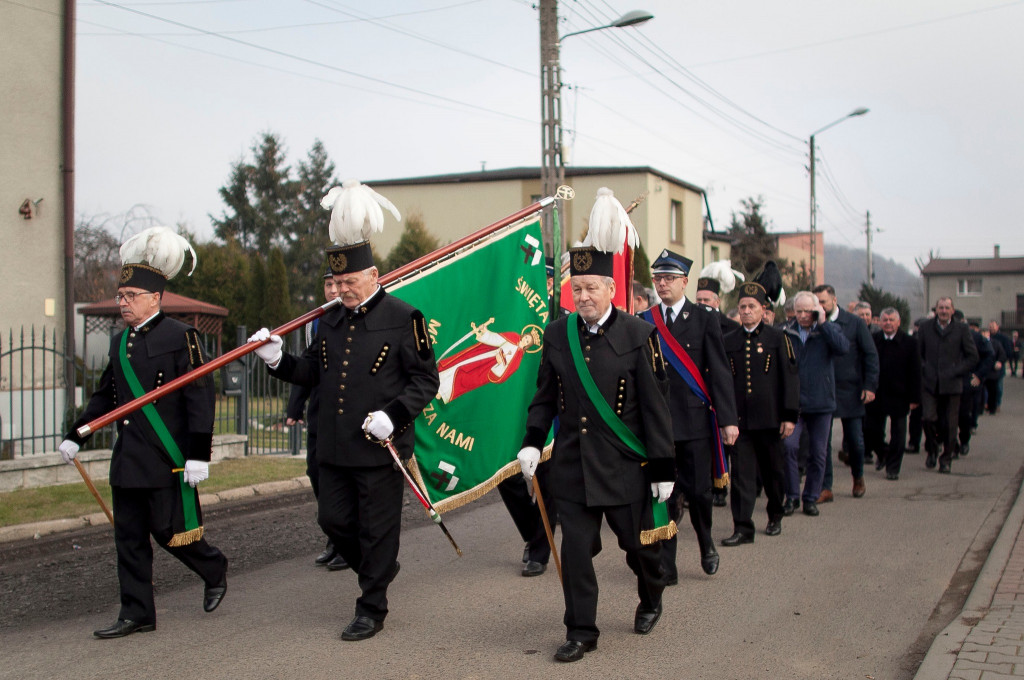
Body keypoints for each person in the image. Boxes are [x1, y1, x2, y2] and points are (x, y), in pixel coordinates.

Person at [250, 180, 439, 642]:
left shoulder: (404, 316)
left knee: (377, 530)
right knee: (332, 522)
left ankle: (370, 607)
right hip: (334, 447)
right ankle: (379, 568)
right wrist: (277, 359)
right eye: (337, 283)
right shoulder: (331, 319)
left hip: (379, 448)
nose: (343, 291)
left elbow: (425, 380)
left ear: (374, 275)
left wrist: (394, 415)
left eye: (351, 282)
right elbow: (311, 371)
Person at [59, 227, 228, 639]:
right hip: (129, 458)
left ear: (155, 297)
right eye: (121, 296)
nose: (123, 304)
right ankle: (137, 613)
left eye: (131, 296)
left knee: (169, 532)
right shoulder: (119, 343)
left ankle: (213, 567)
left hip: (166, 457)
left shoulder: (182, 337)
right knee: (128, 538)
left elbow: (199, 398)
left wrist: (197, 454)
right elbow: (106, 396)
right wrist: (76, 434)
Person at [517, 239, 676, 663]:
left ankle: (652, 595)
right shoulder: (557, 334)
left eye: (591, 288)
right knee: (575, 551)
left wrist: (663, 467)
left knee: (639, 548)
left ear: (611, 288)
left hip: (624, 467)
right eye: (577, 288)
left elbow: (655, 408)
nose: (583, 296)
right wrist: (533, 442)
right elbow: (544, 397)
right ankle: (581, 631)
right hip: (572, 466)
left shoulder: (638, 335)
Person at [643, 249, 738, 580]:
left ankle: (706, 542)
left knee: (698, 493)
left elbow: (720, 372)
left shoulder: (704, 319)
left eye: (669, 279)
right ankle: (667, 563)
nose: (662, 285)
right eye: (658, 279)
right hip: (659, 426)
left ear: (684, 282)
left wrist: (728, 420)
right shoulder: (645, 320)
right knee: (664, 494)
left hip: (695, 422)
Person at [720, 273, 799, 545]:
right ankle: (742, 527)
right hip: (740, 421)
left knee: (773, 472)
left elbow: (789, 379)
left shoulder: (778, 339)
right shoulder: (729, 340)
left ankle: (775, 514)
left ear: (763, 310)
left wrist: (789, 416)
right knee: (741, 476)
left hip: (770, 420)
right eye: (742, 307)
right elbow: (724, 382)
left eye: (752, 306)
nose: (746, 311)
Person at [286, 271, 348, 570]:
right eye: (328, 284)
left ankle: (346, 543)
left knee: (342, 479)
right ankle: (335, 538)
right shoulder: (316, 320)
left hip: (346, 412)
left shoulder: (354, 316)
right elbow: (307, 365)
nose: (333, 289)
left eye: (338, 283)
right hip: (320, 410)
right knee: (315, 471)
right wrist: (294, 408)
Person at [781, 291, 849, 516]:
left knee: (818, 453)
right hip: (794, 403)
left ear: (817, 309)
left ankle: (810, 497)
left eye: (806, 311)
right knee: (789, 448)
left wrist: (824, 322)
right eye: (798, 311)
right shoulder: (786, 332)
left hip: (821, 402)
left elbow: (842, 348)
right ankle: (791, 496)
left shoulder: (827, 330)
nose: (802, 316)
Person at [813, 285, 878, 501]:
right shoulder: (813, 323)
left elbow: (870, 355)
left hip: (850, 389)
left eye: (823, 302)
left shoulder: (854, 323)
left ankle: (858, 476)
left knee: (855, 441)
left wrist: (870, 386)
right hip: (823, 389)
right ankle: (826, 486)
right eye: (817, 302)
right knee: (824, 442)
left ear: (834, 300)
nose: (819, 306)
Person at [694, 262, 743, 509]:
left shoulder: (732, 328)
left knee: (725, 444)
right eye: (698, 299)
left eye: (706, 299)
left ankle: (722, 488)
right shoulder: (690, 323)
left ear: (717, 301)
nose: (702, 303)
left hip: (722, 394)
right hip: (698, 392)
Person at [918, 298, 979, 473]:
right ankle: (932, 448)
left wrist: (956, 370)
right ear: (936, 310)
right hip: (930, 383)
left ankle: (946, 459)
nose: (943, 311)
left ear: (953, 310)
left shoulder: (962, 329)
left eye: (947, 308)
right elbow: (918, 354)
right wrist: (925, 368)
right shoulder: (925, 328)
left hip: (952, 383)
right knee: (928, 418)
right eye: (940, 308)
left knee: (951, 424)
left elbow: (972, 357)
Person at [864, 308, 921, 480]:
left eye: (891, 320)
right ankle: (883, 452)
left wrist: (914, 397)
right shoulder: (873, 340)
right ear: (880, 322)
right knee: (870, 430)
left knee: (898, 433)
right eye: (885, 320)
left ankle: (893, 467)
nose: (888, 323)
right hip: (877, 393)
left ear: (898, 322)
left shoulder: (910, 343)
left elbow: (915, 371)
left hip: (900, 394)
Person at [957, 320, 994, 457]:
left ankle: (964, 440)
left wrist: (979, 375)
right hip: (946, 381)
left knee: (963, 415)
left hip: (967, 382)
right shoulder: (941, 336)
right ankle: (951, 445)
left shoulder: (974, 337)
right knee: (944, 417)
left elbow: (989, 355)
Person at [986, 321, 1013, 412]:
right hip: (988, 366)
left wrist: (1001, 361)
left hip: (999, 366)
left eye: (993, 326)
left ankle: (997, 404)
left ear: (998, 327)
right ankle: (988, 404)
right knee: (987, 387)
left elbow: (1008, 352)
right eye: (990, 326)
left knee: (998, 387)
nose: (992, 328)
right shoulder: (987, 337)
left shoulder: (1003, 338)